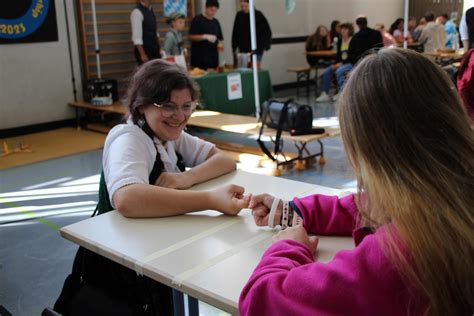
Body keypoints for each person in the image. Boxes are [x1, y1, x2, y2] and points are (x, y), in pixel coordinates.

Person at [240, 48, 474, 315]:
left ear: (367, 152)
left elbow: (260, 301)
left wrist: (288, 246)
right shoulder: (452, 192)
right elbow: (369, 205)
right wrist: (294, 212)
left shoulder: (404, 256)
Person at [54, 60, 249, 314]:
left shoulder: (169, 136)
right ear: (142, 104)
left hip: (152, 253)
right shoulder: (130, 138)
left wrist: (184, 179)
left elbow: (224, 160)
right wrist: (210, 199)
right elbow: (127, 198)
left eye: (186, 106)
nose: (180, 116)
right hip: (119, 267)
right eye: (168, 106)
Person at [315, 22, 353, 102]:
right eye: (342, 29)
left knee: (339, 71)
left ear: (350, 30)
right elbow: (338, 55)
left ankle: (342, 93)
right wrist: (336, 63)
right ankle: (325, 93)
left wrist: (341, 63)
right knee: (327, 71)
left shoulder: (353, 40)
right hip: (341, 63)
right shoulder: (340, 41)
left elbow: (353, 56)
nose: (343, 31)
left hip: (350, 63)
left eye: (345, 29)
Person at [232, 0, 272, 67]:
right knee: (243, 70)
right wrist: (234, 47)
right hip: (243, 50)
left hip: (256, 50)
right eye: (242, 6)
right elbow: (235, 33)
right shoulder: (239, 15)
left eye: (246, 6)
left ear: (250, 4)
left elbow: (267, 31)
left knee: (254, 69)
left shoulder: (258, 15)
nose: (244, 8)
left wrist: (265, 45)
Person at [189, 0, 224, 70]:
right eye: (211, 10)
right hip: (199, 60)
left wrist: (220, 45)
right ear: (206, 8)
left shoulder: (216, 22)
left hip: (213, 60)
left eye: (215, 11)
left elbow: (220, 39)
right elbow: (191, 37)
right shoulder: (197, 20)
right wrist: (204, 36)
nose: (213, 13)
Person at [130, 0, 162, 65]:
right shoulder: (137, 12)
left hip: (154, 50)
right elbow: (137, 37)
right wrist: (142, 54)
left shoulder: (150, 10)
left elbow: (155, 32)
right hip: (145, 51)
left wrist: (159, 48)